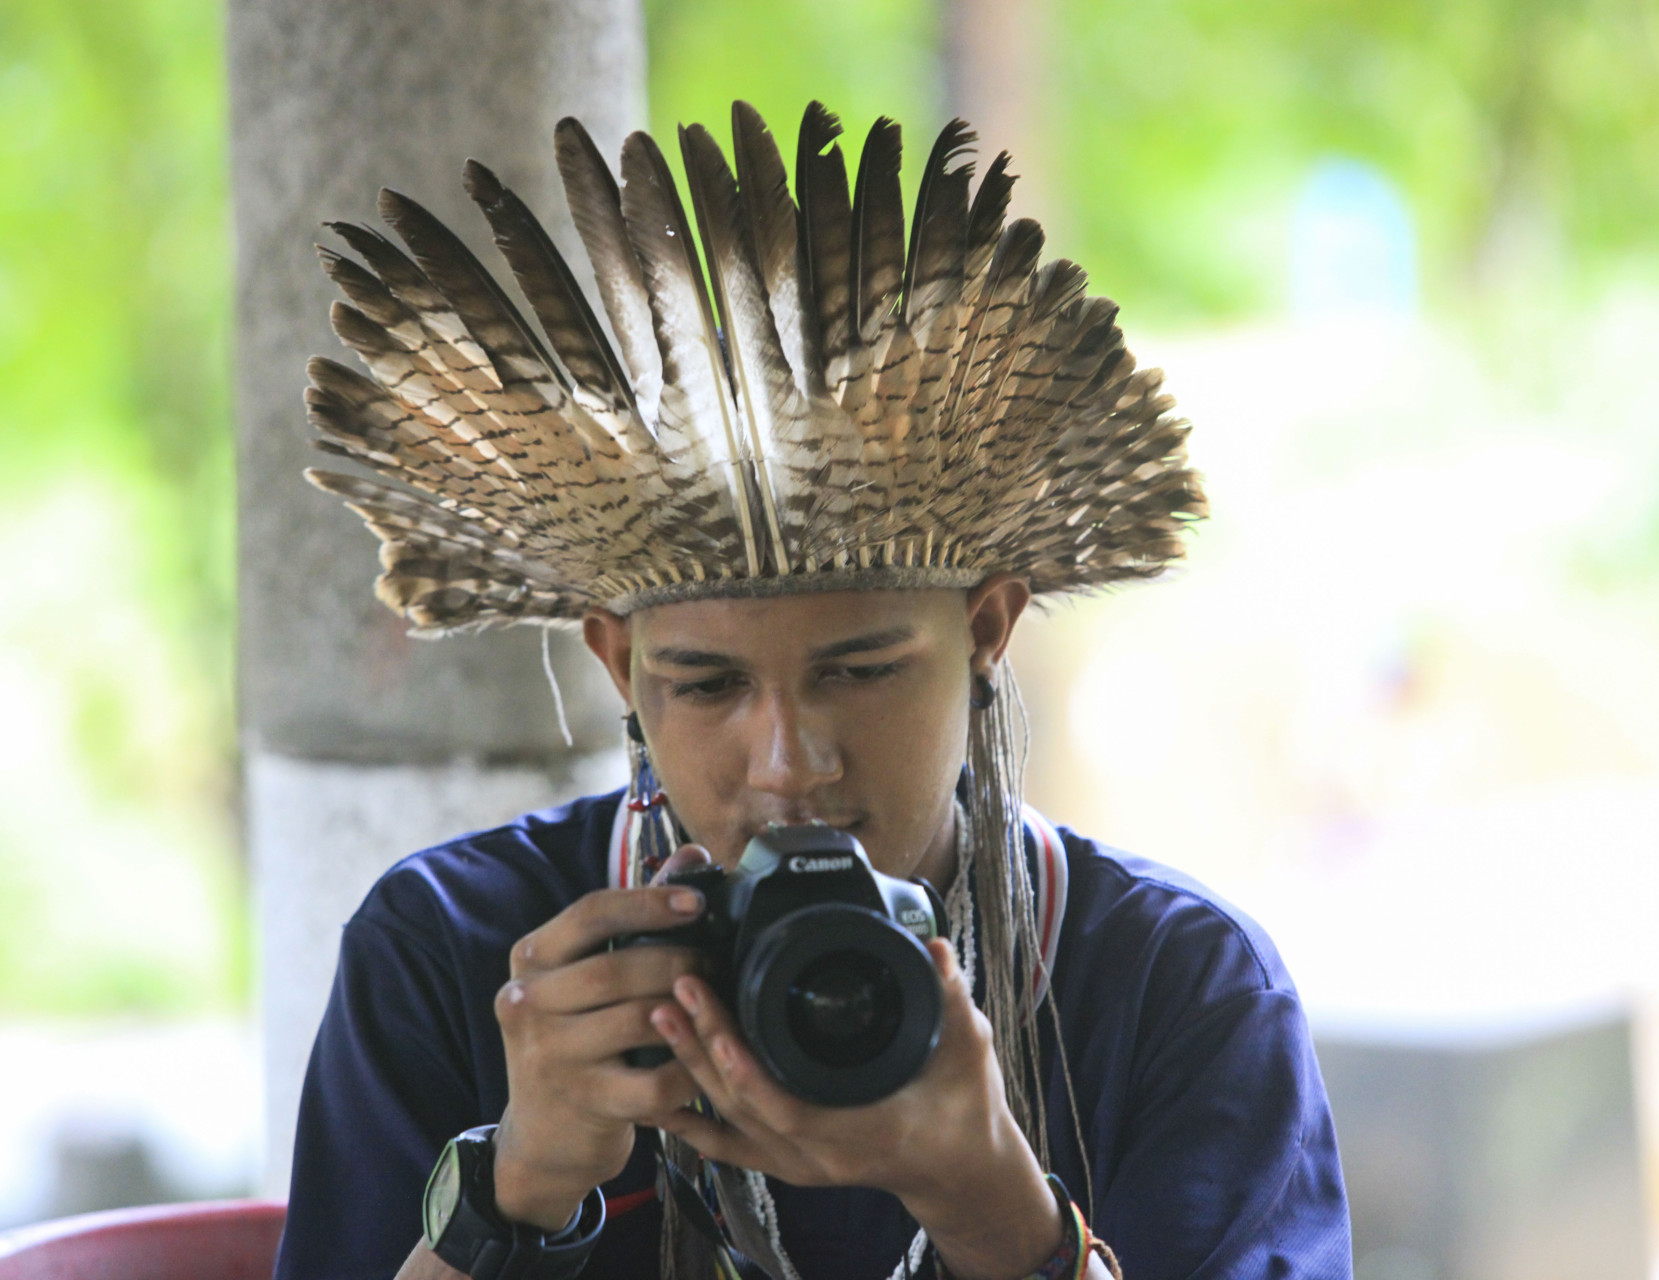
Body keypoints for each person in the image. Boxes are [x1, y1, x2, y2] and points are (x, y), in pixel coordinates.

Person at [274, 100, 1352, 1280]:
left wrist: (997, 1211)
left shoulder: (1175, 988)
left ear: (986, 627)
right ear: (619, 665)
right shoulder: (450, 955)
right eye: (707, 684)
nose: (789, 760)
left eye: (860, 669)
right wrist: (518, 1185)